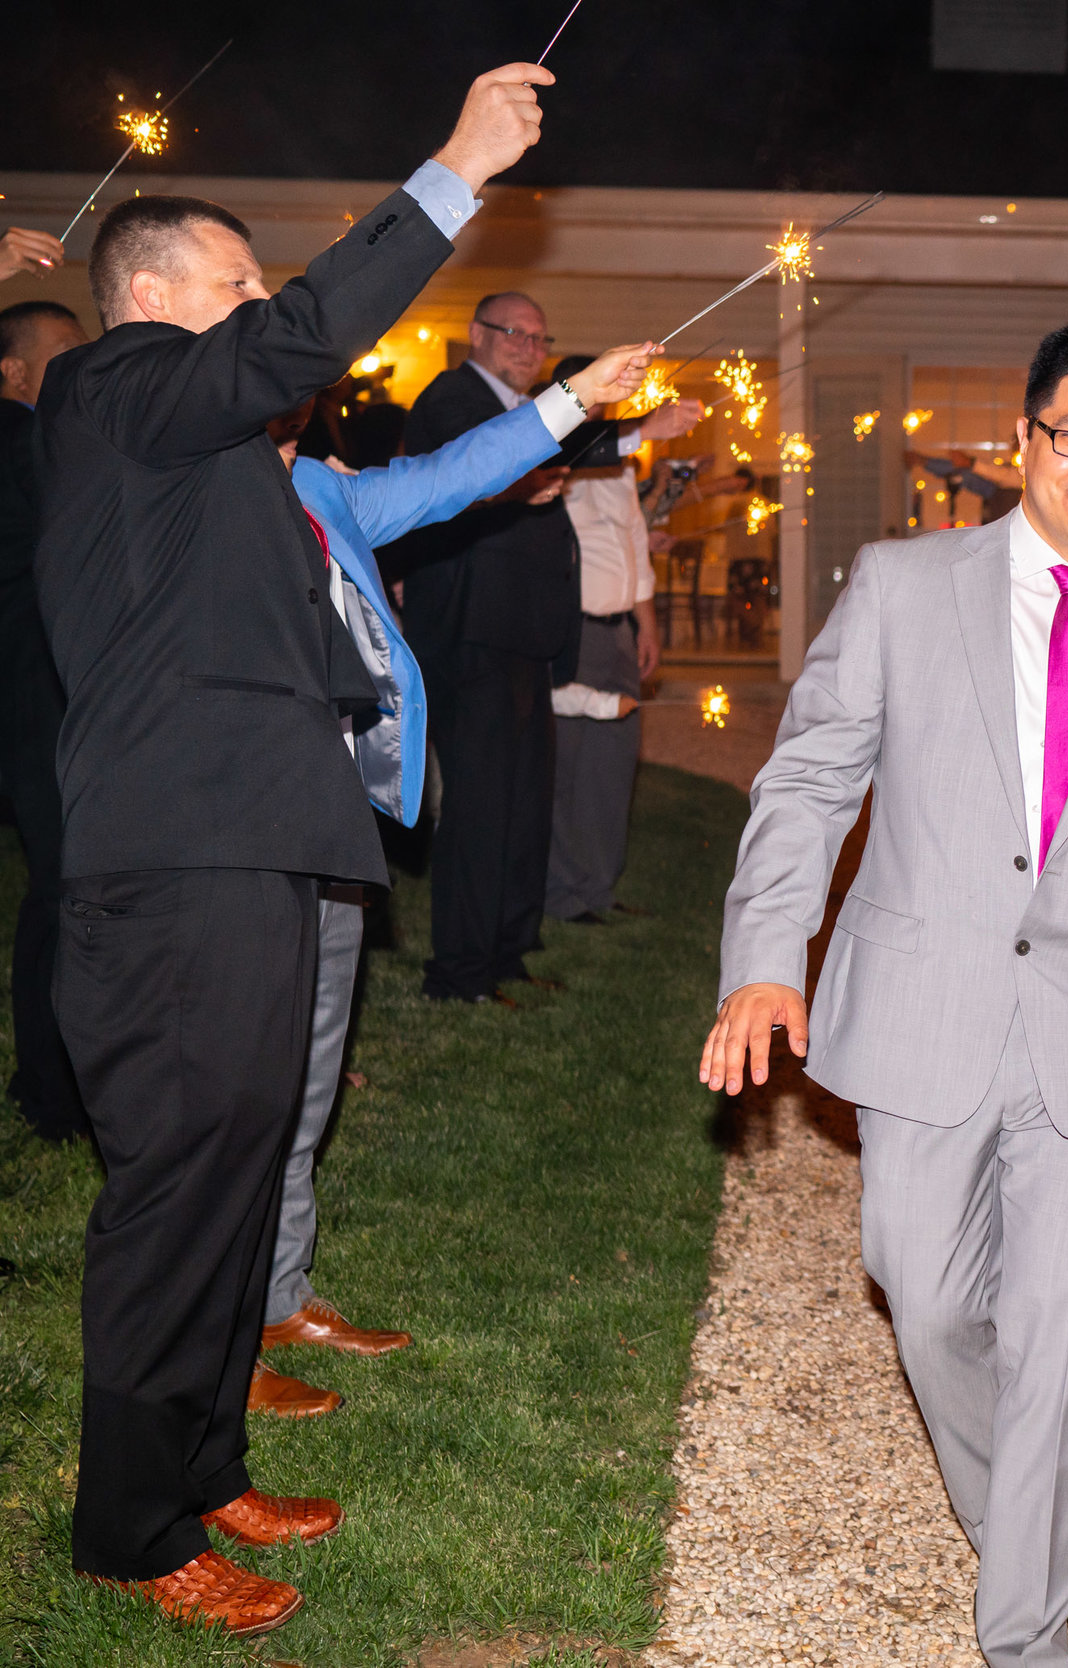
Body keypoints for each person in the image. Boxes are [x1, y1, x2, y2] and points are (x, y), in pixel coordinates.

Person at [35, 64, 552, 1636]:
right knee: (177, 1201)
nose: (264, 309)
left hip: (251, 849)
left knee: (243, 1178)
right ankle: (134, 1528)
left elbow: (342, 555)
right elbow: (299, 337)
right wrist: (453, 171)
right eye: (240, 283)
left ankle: (204, 1465)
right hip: (175, 866)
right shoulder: (113, 390)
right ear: (153, 299)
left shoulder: (211, 464)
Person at [701, 318, 1068, 1668]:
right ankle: (1027, 1505)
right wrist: (765, 962)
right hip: (924, 1011)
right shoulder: (905, 587)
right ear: (1023, 442)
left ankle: (1024, 1627)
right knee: (925, 1292)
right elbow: (805, 784)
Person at [251, 339, 656, 1417]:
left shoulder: (315, 486)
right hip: (231, 835)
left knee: (308, 1075)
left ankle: (279, 1295)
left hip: (332, 821)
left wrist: (573, 398)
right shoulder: (170, 480)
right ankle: (218, 1338)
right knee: (234, 1094)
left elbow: (444, 479)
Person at [387, 293, 698, 1003]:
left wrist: (640, 430)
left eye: (538, 335)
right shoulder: (453, 398)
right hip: (474, 633)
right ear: (477, 335)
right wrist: (630, 431)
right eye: (513, 333)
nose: (528, 346)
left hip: (524, 638)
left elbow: (556, 445)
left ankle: (508, 953)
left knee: (524, 804)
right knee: (481, 806)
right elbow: (485, 467)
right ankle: (460, 971)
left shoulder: (520, 413)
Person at [0, 297, 88, 1142]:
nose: (78, 366)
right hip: (31, 694)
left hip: (42, 691)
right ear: (14, 372)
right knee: (62, 893)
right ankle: (51, 1090)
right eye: (61, 355)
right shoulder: (20, 438)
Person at [544, 352, 663, 925]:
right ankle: (562, 893)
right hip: (575, 631)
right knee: (568, 765)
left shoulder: (620, 457)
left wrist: (648, 621)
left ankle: (598, 885)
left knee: (613, 767)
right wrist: (643, 432)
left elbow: (633, 537)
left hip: (618, 630)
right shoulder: (554, 451)